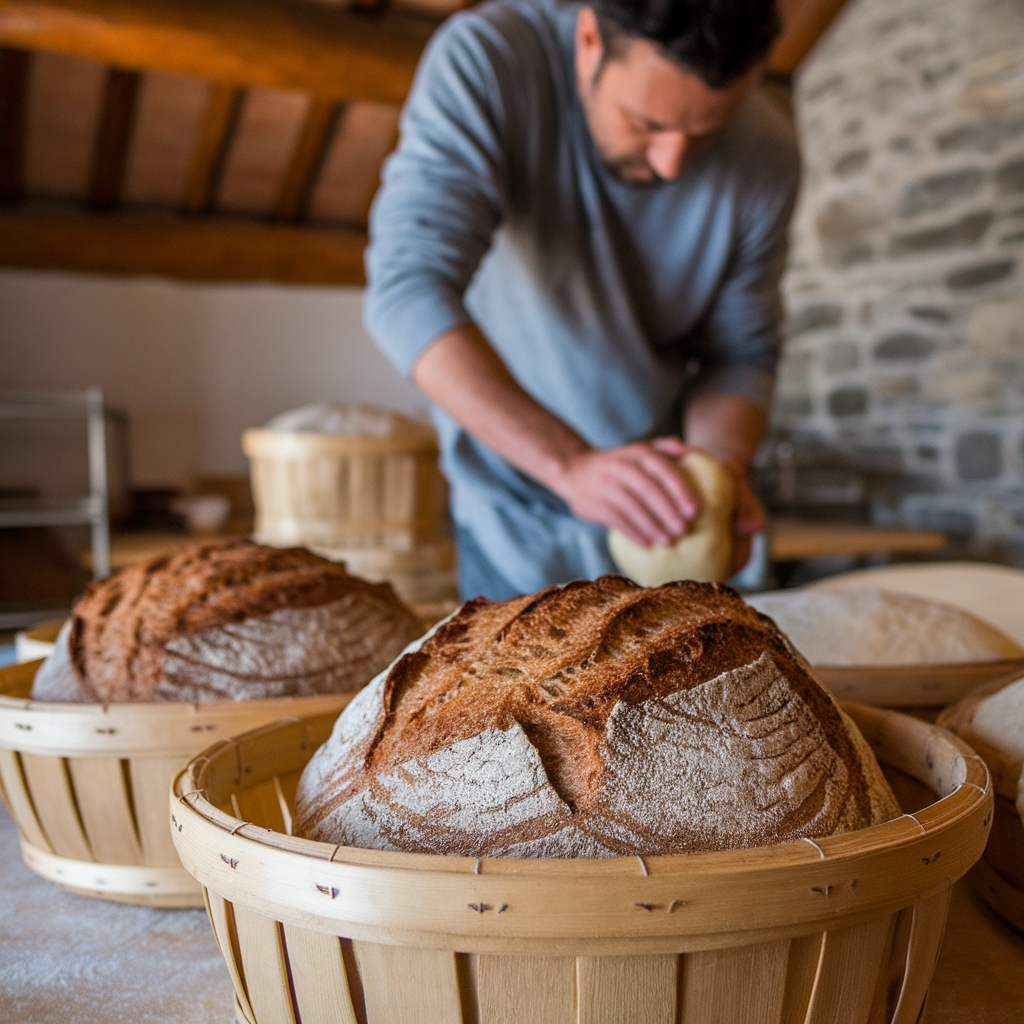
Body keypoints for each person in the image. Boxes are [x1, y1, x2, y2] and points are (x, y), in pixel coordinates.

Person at [364, 0, 799, 601]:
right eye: (645, 122)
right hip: (513, 518)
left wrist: (717, 470)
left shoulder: (769, 153)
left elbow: (740, 353)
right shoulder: (490, 61)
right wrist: (569, 465)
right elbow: (408, 290)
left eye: (704, 135)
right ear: (590, 38)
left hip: (658, 523)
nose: (671, 162)